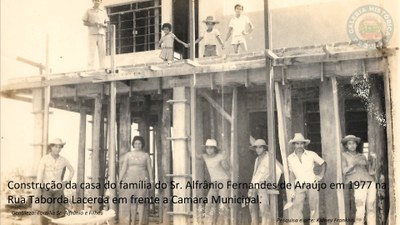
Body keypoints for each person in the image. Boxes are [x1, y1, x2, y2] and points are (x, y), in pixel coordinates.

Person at [287, 133, 326, 225]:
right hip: (299, 184)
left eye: (301, 143)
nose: (299, 146)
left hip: (312, 183)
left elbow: (323, 163)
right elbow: (291, 173)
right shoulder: (290, 158)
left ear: (304, 144)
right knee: (296, 207)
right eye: (297, 143)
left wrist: (321, 175)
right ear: (294, 145)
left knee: (314, 208)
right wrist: (292, 188)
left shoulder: (311, 154)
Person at [35, 138, 75, 224]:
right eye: (56, 147)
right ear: (51, 147)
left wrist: (66, 182)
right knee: (44, 211)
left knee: (60, 212)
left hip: (58, 190)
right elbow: (40, 175)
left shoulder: (63, 160)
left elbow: (72, 171)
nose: (58, 149)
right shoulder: (44, 159)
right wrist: (38, 189)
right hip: (46, 189)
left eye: (60, 147)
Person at [341, 135, 376, 225]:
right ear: (346, 146)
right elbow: (344, 171)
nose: (352, 145)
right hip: (357, 182)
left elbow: (370, 171)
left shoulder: (362, 156)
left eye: (354, 143)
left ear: (356, 145)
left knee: (371, 208)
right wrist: (354, 163)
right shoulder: (343, 155)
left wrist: (373, 160)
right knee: (360, 209)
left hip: (369, 181)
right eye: (349, 143)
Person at [119, 136, 153, 225]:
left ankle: (140, 222)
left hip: (142, 179)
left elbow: (149, 169)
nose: (137, 145)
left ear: (142, 145)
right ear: (133, 144)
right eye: (136, 143)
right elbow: (124, 169)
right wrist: (119, 180)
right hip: (130, 180)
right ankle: (133, 222)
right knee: (133, 201)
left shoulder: (146, 155)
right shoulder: (128, 155)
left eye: (139, 143)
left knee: (141, 202)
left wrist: (151, 181)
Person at [248, 139, 283, 225]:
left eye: (260, 147)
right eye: (256, 147)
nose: (258, 149)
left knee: (264, 208)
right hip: (254, 185)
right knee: (251, 206)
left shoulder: (269, 158)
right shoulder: (257, 159)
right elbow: (255, 174)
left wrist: (268, 181)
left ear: (264, 148)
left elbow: (279, 170)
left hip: (263, 186)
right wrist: (251, 187)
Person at [201, 139, 230, 225]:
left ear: (215, 149)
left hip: (223, 181)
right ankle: (208, 222)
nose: (209, 150)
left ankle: (224, 223)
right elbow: (193, 155)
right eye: (207, 148)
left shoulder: (220, 156)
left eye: (211, 148)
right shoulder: (205, 156)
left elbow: (228, 168)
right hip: (214, 183)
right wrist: (188, 142)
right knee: (208, 203)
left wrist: (225, 160)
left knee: (223, 204)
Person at [83, 0, 109, 69]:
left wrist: (102, 24)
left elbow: (107, 24)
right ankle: (90, 68)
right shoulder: (88, 11)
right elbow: (84, 22)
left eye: (98, 1)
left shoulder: (103, 11)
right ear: (93, 1)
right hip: (92, 33)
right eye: (95, 0)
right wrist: (93, 24)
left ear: (101, 2)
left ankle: (103, 67)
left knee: (102, 51)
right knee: (91, 51)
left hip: (101, 33)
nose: (97, 2)